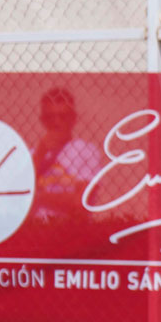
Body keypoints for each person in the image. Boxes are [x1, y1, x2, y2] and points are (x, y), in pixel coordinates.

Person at [32, 87, 103, 223]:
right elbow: (15, 200)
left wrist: (37, 197)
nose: (56, 122)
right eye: (50, 117)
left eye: (63, 116)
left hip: (71, 227)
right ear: (42, 120)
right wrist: (40, 154)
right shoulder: (33, 154)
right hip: (37, 227)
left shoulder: (86, 151)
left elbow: (80, 202)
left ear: (73, 119)